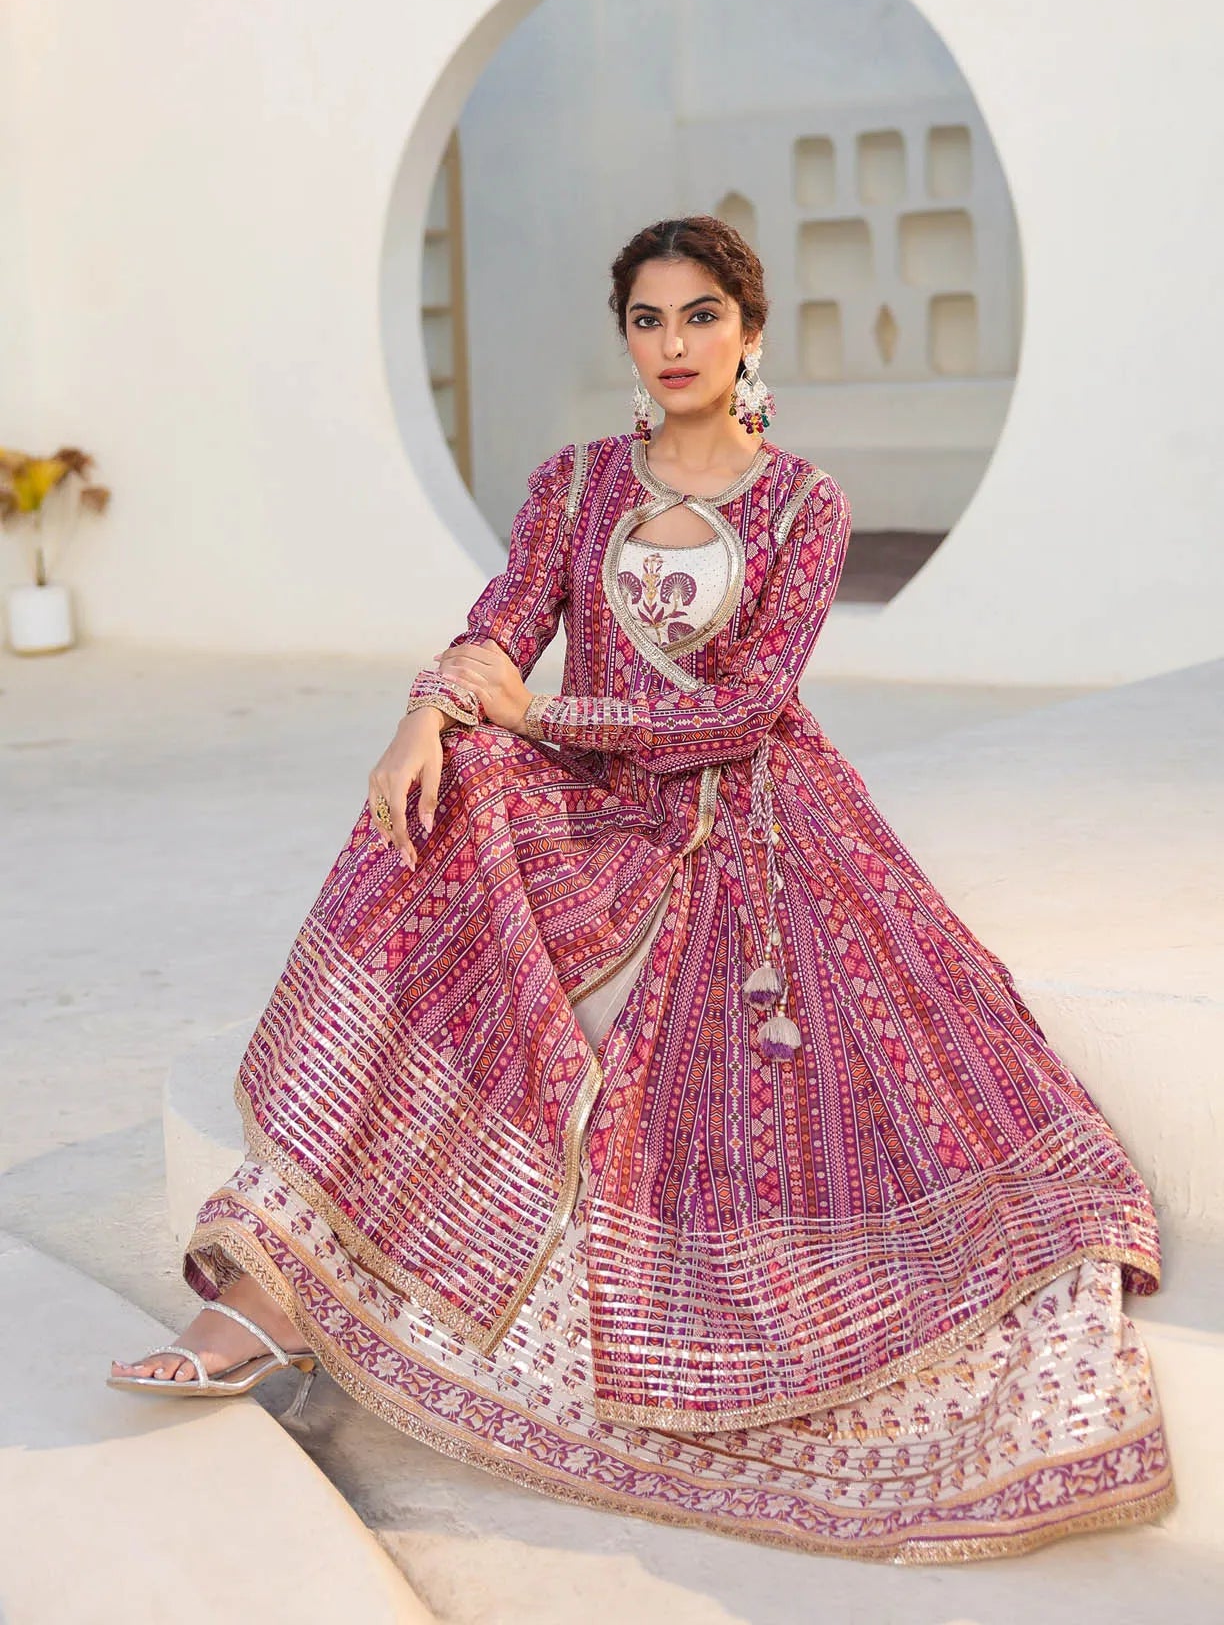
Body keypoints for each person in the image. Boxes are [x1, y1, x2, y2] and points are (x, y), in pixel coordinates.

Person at [109, 216, 1175, 1561]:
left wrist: (546, 717)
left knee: (539, 790)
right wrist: (426, 714)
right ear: (626, 335)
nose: (675, 346)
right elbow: (503, 621)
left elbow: (747, 709)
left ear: (751, 329)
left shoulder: (803, 504)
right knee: (456, 791)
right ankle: (269, 1287)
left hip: (742, 806)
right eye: (649, 320)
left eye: (702, 317)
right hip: (593, 791)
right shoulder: (575, 484)